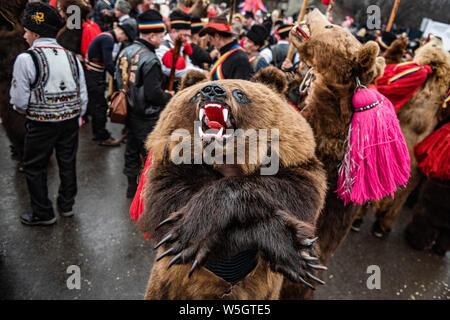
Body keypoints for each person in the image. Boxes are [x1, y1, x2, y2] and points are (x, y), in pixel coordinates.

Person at [10, 2, 88, 225]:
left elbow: (19, 100)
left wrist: (28, 112)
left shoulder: (26, 59)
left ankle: (43, 213)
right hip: (70, 121)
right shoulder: (71, 57)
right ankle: (66, 205)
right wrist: (76, 115)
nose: (24, 36)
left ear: (35, 33)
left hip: (41, 124)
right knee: (67, 161)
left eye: (26, 32)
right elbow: (82, 94)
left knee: (35, 166)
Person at [115, 9, 173, 198]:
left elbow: (117, 79)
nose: (163, 39)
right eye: (162, 35)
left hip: (128, 111)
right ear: (151, 35)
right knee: (151, 154)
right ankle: (150, 193)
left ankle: (131, 187)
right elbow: (153, 94)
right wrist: (169, 96)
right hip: (146, 115)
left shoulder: (126, 51)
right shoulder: (150, 59)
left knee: (131, 149)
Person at [85, 21, 136, 146]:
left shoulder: (105, 36)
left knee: (97, 105)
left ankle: (98, 133)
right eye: (125, 38)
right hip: (95, 75)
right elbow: (108, 63)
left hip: (92, 73)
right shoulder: (108, 40)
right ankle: (102, 136)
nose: (123, 40)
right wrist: (120, 79)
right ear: (122, 33)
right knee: (100, 106)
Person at [156, 10, 203, 86]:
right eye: (184, 35)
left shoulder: (181, 45)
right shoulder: (163, 47)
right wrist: (200, 72)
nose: (187, 39)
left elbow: (187, 65)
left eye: (188, 35)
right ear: (174, 31)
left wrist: (197, 70)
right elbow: (173, 71)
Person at [199, 16, 251, 80]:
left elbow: (239, 88)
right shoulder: (223, 53)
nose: (211, 43)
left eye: (210, 39)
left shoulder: (240, 59)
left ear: (217, 36)